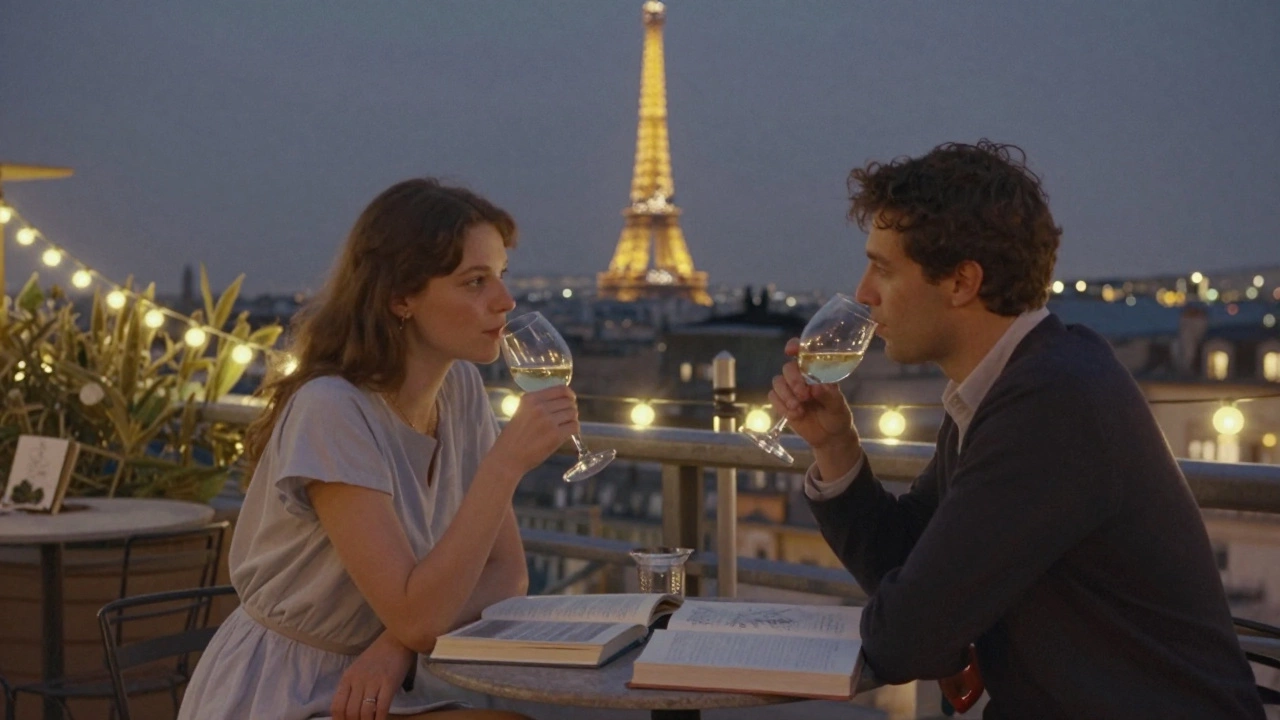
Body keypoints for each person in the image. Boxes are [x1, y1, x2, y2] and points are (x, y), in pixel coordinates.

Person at [769, 141, 1265, 719]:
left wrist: (931, 623)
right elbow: (906, 568)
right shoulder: (1017, 382)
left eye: (883, 268)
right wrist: (836, 448)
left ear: (961, 283)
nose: (863, 293)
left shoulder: (1051, 404)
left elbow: (908, 635)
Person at [179, 179, 578, 720]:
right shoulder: (332, 410)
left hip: (386, 680)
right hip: (289, 690)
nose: (505, 301)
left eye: (501, 277)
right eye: (475, 281)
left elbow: (508, 575)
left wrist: (393, 647)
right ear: (400, 298)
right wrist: (505, 465)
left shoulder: (459, 390)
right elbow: (419, 618)